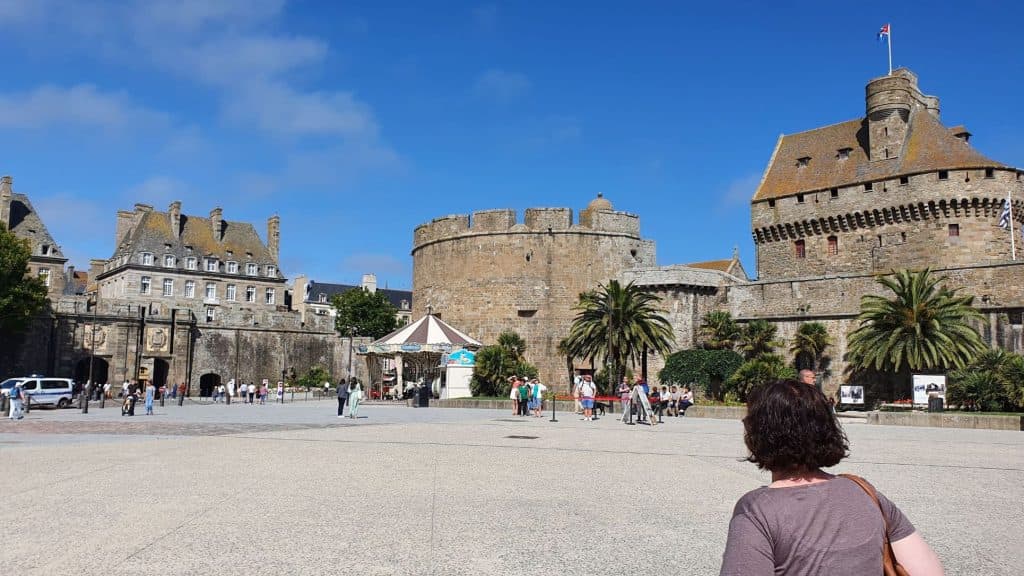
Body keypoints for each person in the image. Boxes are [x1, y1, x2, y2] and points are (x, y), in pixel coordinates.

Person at [720, 380, 943, 575]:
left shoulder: (757, 510)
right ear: (827, 428)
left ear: (758, 436)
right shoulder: (865, 492)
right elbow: (927, 571)